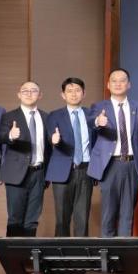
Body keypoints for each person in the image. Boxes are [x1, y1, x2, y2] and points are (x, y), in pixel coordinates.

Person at [88, 67, 138, 237]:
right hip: (109, 165)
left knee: (128, 215)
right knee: (108, 213)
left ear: (129, 84)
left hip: (132, 164)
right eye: (114, 81)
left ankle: (124, 252)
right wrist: (98, 121)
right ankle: (107, 252)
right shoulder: (99, 107)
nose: (118, 84)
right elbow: (91, 126)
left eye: (122, 80)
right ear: (108, 85)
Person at [44, 77, 96, 237]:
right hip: (62, 172)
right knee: (62, 219)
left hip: (85, 171)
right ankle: (61, 252)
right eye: (69, 91)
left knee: (82, 218)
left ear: (84, 93)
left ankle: (81, 253)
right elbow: (51, 138)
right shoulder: (54, 115)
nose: (74, 94)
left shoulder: (91, 115)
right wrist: (55, 140)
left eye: (77, 90)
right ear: (63, 95)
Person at [0, 80, 50, 237]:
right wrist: (10, 136)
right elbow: (0, 137)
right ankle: (13, 253)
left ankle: (28, 253)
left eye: (33, 90)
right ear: (19, 95)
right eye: (25, 91)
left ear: (40, 95)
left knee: (32, 220)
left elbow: (49, 147)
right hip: (16, 173)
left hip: (39, 173)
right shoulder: (9, 116)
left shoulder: (46, 117)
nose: (29, 93)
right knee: (15, 218)